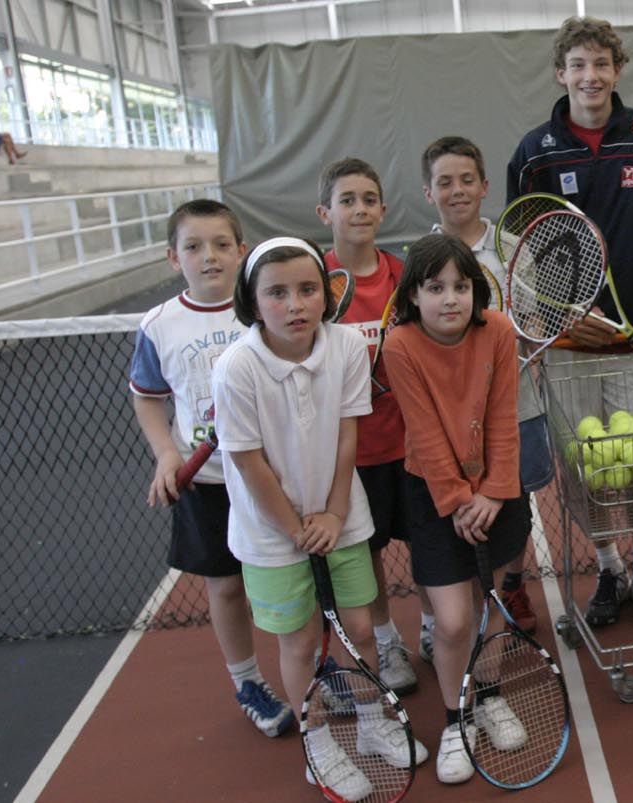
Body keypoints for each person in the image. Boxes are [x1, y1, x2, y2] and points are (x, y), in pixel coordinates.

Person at [211, 237, 429, 797]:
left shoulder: (346, 347)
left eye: (308, 289)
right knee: (302, 643)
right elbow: (247, 460)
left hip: (342, 520)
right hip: (271, 534)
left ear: (327, 294)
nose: (295, 304)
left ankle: (374, 723)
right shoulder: (236, 367)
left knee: (360, 628)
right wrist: (295, 529)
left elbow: (347, 433)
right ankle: (319, 744)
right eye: (277, 293)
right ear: (253, 301)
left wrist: (333, 513)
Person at [506, 15, 633, 628]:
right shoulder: (534, 151)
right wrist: (557, 322)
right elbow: (522, 251)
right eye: (578, 65)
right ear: (561, 73)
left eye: (601, 63)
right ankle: (608, 568)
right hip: (567, 342)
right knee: (584, 468)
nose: (590, 75)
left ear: (618, 69)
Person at [129, 199, 295, 738]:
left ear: (242, 250)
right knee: (226, 589)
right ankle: (247, 680)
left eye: (222, 244)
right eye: (194, 247)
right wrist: (167, 453)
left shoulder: (267, 307)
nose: (210, 257)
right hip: (208, 484)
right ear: (172, 258)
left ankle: (314, 668)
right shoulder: (159, 326)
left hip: (274, 478)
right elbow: (148, 398)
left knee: (296, 582)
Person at [380, 234, 533, 785]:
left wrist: (493, 492)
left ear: (476, 290)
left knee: (488, 608)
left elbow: (502, 416)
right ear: (413, 296)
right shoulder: (399, 345)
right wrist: (459, 501)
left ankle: (489, 698)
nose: (450, 298)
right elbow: (422, 432)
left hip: (497, 492)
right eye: (435, 287)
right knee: (452, 620)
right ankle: (456, 719)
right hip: (437, 495)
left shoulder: (498, 332)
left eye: (461, 286)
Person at [422, 136, 551, 638]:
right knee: (454, 508)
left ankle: (510, 582)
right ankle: (445, 607)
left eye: (467, 180)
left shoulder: (513, 249)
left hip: (516, 406)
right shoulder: (424, 258)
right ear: (429, 192)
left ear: (485, 186)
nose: (457, 191)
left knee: (515, 505)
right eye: (445, 182)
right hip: (453, 421)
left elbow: (535, 320)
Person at [315, 157, 419, 695]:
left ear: (382, 209)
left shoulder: (406, 276)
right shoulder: (314, 285)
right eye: (347, 199)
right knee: (369, 556)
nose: (360, 209)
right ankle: (386, 640)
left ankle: (432, 625)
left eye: (369, 199)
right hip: (350, 458)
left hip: (413, 447)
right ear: (325, 212)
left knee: (429, 547)